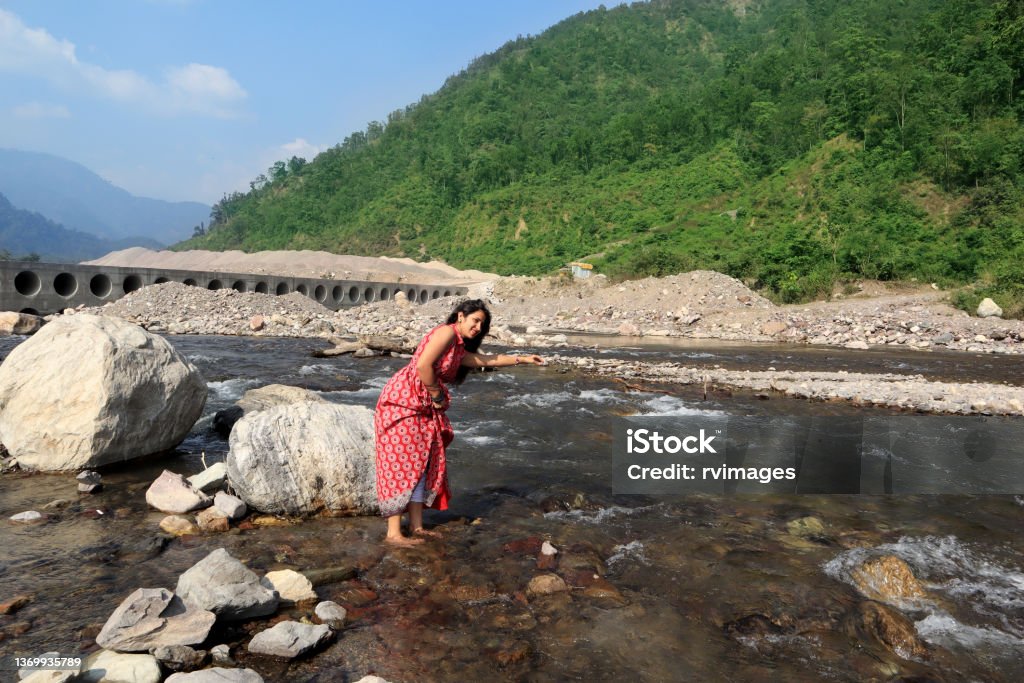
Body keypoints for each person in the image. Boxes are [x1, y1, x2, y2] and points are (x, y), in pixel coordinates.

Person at [374, 299, 544, 545]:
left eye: (482, 325)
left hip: (423, 408)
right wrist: (437, 394)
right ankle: (394, 533)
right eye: (475, 320)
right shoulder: (446, 332)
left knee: (422, 465)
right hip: (403, 403)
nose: (477, 328)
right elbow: (423, 365)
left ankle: (417, 527)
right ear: (460, 316)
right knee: (401, 465)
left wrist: (524, 359)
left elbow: (488, 361)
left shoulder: (459, 348)